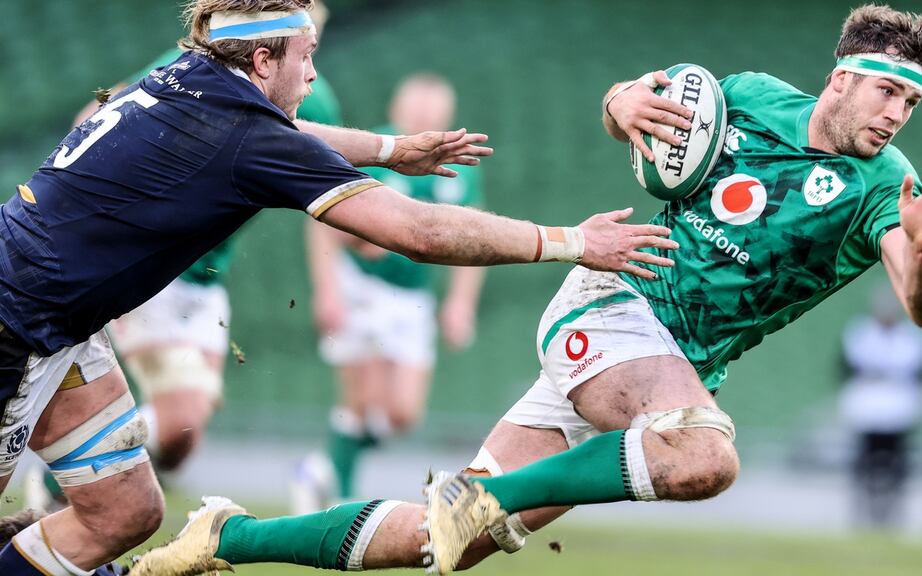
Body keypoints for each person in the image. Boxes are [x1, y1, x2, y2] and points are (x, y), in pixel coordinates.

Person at [130, 5, 922, 576]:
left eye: (912, 101)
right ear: (841, 80)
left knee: (437, 544)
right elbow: (632, 109)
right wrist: (621, 103)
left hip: (668, 358)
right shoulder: (749, 98)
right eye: (888, 90)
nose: (898, 113)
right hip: (619, 299)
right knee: (701, 454)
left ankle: (223, 535)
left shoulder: (884, 186)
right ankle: (483, 498)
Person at [0, 0, 674, 574]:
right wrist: (572, 242)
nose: (315, 70)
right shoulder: (243, 135)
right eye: (306, 53)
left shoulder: (191, 77)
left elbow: (290, 131)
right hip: (16, 328)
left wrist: (393, 150)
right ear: (264, 62)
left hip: (52, 321)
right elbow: (419, 230)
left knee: (126, 511)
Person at [24, 3, 345, 515]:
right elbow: (96, 114)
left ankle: (72, 482)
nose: (308, 65)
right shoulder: (197, 69)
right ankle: (68, 484)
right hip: (154, 271)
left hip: (203, 278)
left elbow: (328, 191)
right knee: (179, 419)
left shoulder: (318, 102)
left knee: (183, 437)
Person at [292, 72, 486, 511]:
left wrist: (460, 303)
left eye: (433, 110)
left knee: (402, 413)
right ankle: (338, 498)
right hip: (359, 285)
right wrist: (329, 292)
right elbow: (321, 218)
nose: (424, 117)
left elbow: (473, 235)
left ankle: (320, 468)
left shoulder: (461, 165)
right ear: (398, 109)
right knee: (360, 399)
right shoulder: (375, 147)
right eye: (416, 108)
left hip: (412, 299)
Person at [838, 286, 922, 528]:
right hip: (868, 407)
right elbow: (846, 368)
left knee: (898, 464)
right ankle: (862, 509)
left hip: (899, 408)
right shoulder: (861, 334)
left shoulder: (911, 338)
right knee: (864, 462)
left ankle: (894, 511)